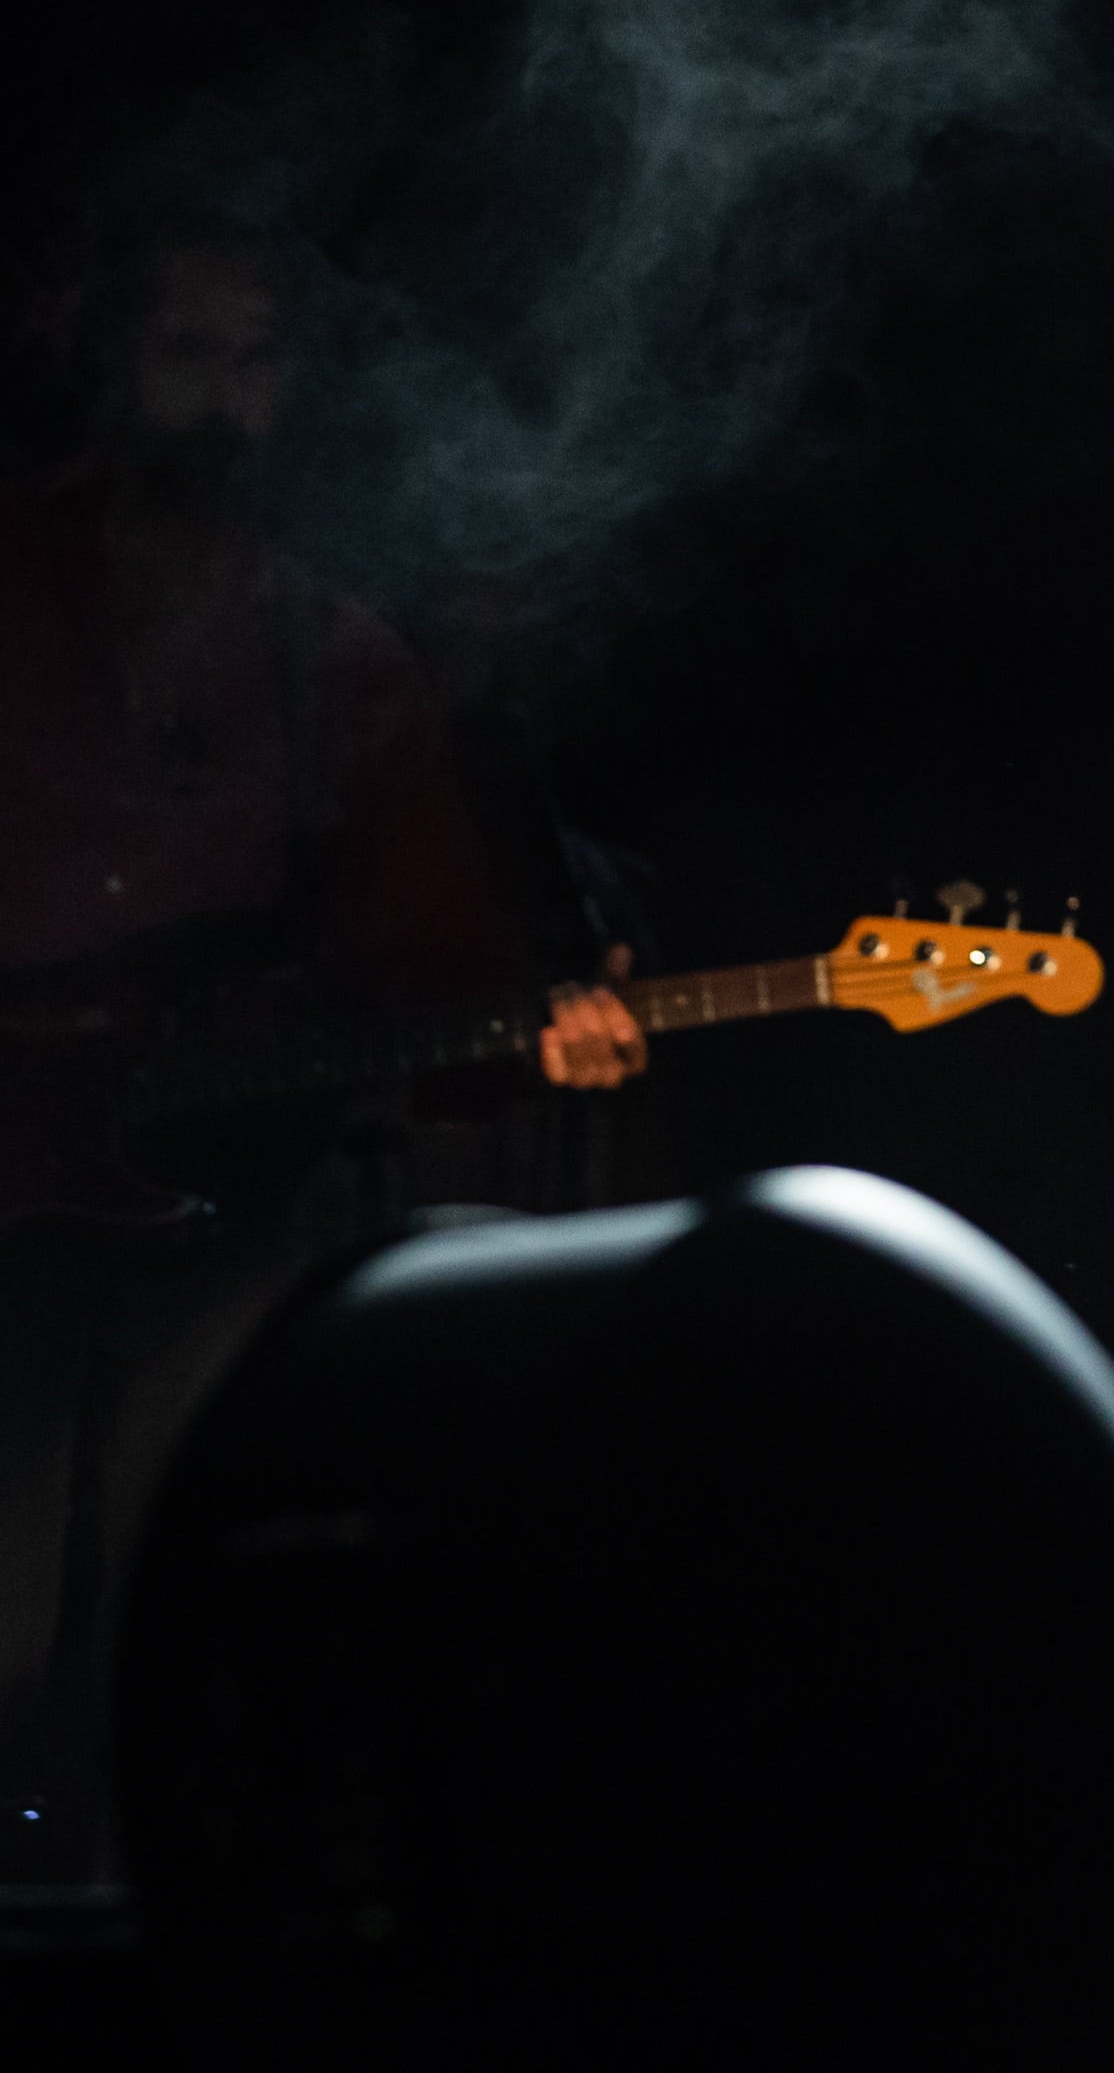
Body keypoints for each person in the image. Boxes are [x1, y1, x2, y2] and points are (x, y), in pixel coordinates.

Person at [0, 217, 641, 1880]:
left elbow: (431, 980)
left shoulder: (332, 654)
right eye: (188, 353)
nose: (225, 397)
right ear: (108, 362)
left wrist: (532, 1036)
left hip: (207, 1231)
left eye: (255, 359)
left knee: (165, 1636)